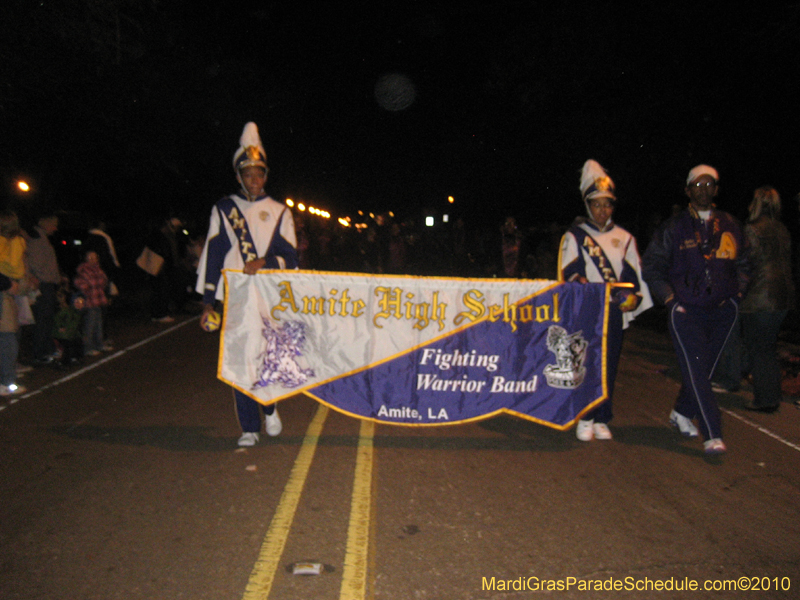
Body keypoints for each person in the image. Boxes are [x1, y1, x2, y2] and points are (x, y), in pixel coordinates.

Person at [196, 122, 299, 447]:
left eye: (259, 174)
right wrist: (208, 301)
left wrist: (264, 263)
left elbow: (291, 259)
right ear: (238, 176)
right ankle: (249, 427)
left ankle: (269, 406)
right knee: (240, 360)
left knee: (268, 357)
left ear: (265, 176)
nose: (254, 180)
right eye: (248, 174)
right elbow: (213, 255)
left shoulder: (280, 211)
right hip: (237, 298)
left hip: (268, 297)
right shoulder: (224, 209)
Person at [642, 165, 749, 454]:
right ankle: (712, 432)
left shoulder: (729, 224)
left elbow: (745, 264)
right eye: (697, 186)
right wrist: (670, 300)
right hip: (686, 311)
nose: (703, 191)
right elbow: (651, 267)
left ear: (716, 189)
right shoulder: (674, 227)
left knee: (704, 369)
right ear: (688, 191)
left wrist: (737, 295)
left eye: (708, 185)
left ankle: (680, 412)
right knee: (698, 373)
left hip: (723, 310)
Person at [558, 159, 653, 441]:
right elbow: (569, 271)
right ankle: (584, 415)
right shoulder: (574, 236)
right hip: (587, 311)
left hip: (612, 312)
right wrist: (586, 286)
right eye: (597, 204)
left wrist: (630, 295)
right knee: (585, 363)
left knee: (608, 364)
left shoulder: (624, 238)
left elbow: (632, 274)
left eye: (607, 204)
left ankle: (602, 416)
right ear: (588, 205)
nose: (603, 210)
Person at [738, 187, 794, 413]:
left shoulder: (752, 229)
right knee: (768, 347)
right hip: (783, 295)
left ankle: (764, 399)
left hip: (761, 296)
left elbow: (746, 263)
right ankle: (770, 394)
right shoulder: (782, 229)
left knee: (758, 349)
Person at [25, 214, 61, 365]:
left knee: (47, 320)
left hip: (47, 284)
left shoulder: (42, 238)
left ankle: (46, 350)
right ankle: (40, 354)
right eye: (53, 224)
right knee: (43, 320)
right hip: (43, 285)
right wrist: (48, 278)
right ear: (46, 224)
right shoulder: (37, 239)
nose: (55, 228)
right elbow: (37, 264)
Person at [0, 210, 28, 395]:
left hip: (7, 289)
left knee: (8, 337)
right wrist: (8, 283)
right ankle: (6, 382)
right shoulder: (12, 242)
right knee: (8, 338)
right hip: (4, 292)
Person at [73, 250, 109, 356]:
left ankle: (99, 344)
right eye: (90, 258)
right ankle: (88, 348)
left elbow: (103, 282)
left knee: (98, 325)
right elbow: (79, 283)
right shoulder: (84, 270)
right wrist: (87, 288)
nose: (93, 260)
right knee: (90, 326)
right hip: (89, 302)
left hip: (98, 300)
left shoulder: (98, 270)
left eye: (95, 258)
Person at [53, 281, 83, 367]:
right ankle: (61, 361)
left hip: (69, 333)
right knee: (64, 347)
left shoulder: (76, 313)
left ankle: (73, 358)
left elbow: (75, 326)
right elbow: (58, 319)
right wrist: (61, 327)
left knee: (76, 343)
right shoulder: (66, 311)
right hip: (62, 334)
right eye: (77, 302)